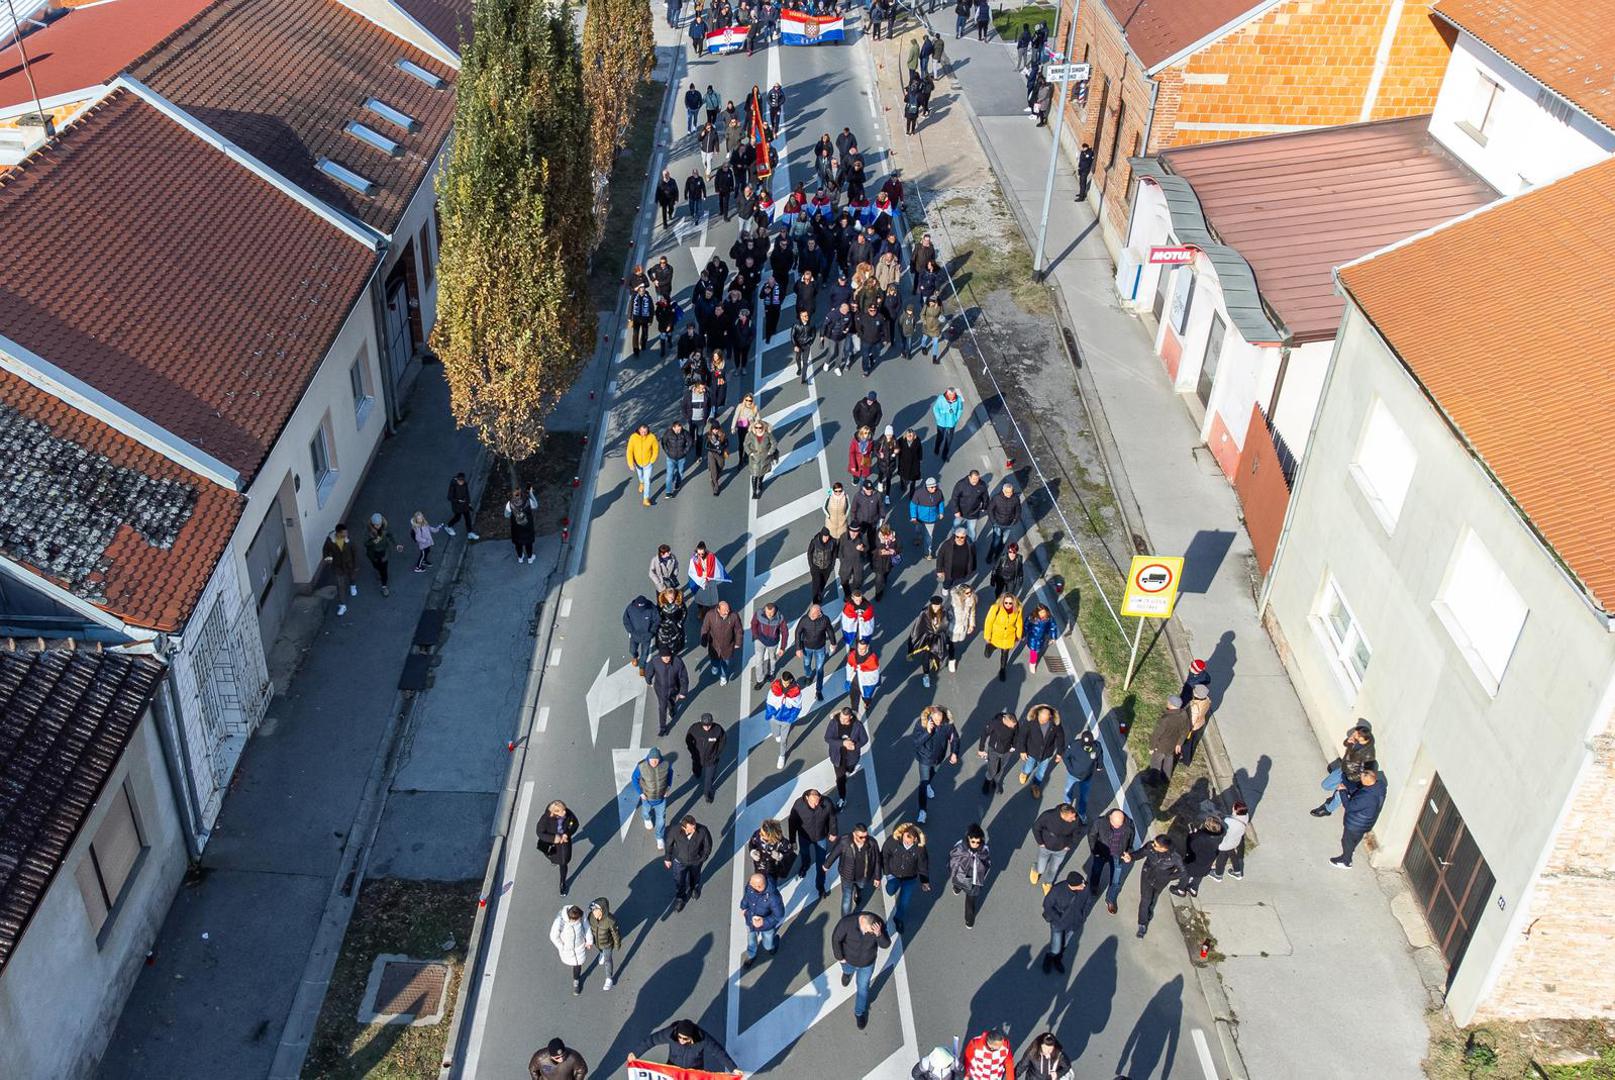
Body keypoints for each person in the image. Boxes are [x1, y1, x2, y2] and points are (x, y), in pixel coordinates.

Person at [831, 912, 890, 1029]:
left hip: (866, 964)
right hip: (848, 960)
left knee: (863, 989)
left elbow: (886, 944)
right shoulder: (847, 923)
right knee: (847, 970)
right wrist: (840, 957)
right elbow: (836, 939)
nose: (870, 933)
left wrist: (879, 934)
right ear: (863, 922)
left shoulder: (877, 926)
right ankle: (847, 974)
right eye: (869, 930)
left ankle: (859, 1012)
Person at [1311, 719, 1376, 816]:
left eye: (1356, 734)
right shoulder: (1358, 741)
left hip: (1352, 780)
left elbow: (1363, 775)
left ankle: (1328, 809)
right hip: (1343, 769)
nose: (1354, 734)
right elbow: (1346, 745)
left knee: (1339, 794)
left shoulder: (1368, 756)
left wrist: (1345, 783)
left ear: (1363, 739)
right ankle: (1340, 792)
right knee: (1325, 785)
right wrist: (1349, 742)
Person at [631, 1020, 737, 1073]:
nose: (681, 1041)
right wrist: (635, 1053)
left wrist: (733, 1069)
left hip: (693, 1072)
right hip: (673, 1069)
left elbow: (719, 1052)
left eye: (685, 1039)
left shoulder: (703, 1039)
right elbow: (651, 1040)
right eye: (679, 1037)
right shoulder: (671, 1034)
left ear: (691, 1037)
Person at [1333, 763, 1387, 869]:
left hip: (1356, 824)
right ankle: (1350, 852)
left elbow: (1349, 806)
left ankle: (1346, 861)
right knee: (1355, 839)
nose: (1360, 780)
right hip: (1367, 822)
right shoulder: (1380, 787)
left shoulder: (1366, 797)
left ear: (1367, 782)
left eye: (1362, 778)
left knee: (1346, 840)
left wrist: (1342, 791)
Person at [912, 704, 959, 823]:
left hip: (938, 757)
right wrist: (928, 732)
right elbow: (917, 742)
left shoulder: (947, 724)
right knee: (923, 782)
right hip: (925, 758)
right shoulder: (921, 724)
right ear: (931, 717)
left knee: (932, 773)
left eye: (940, 719)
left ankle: (928, 784)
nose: (939, 722)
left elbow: (954, 738)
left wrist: (954, 752)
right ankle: (923, 810)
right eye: (936, 720)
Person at [880, 822, 930, 933]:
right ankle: (891, 887)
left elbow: (923, 865)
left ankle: (898, 919)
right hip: (893, 875)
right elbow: (884, 854)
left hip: (910, 879)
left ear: (915, 840)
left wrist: (924, 881)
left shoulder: (920, 850)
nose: (905, 840)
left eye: (909, 838)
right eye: (905, 836)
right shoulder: (893, 841)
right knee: (890, 890)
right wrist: (887, 873)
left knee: (904, 902)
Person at [1133, 834, 1185, 938]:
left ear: (1164, 848)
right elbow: (1140, 853)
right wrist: (1130, 857)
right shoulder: (1150, 847)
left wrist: (1169, 877)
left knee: (1154, 896)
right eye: (1153, 842)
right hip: (1147, 876)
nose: (1153, 845)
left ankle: (1149, 909)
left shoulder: (1175, 857)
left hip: (1161, 881)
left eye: (1156, 845)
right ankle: (1142, 924)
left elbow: (1183, 872)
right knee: (1145, 900)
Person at [789, 788, 839, 897]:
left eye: (817, 802)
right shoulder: (798, 805)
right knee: (804, 853)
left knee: (821, 863)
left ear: (820, 798)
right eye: (813, 802)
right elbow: (792, 823)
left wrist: (833, 832)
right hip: (804, 837)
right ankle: (805, 865)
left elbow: (832, 818)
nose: (815, 805)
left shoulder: (827, 803)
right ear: (807, 798)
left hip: (820, 837)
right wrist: (792, 840)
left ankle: (820, 886)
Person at [1040, 871, 1089, 974]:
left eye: (1083, 882)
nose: (1084, 885)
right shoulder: (1057, 890)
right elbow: (1047, 905)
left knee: (1064, 945)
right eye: (1081, 884)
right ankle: (1049, 958)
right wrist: (1058, 918)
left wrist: (1082, 917)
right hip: (1058, 925)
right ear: (1073, 886)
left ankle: (1057, 960)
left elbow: (1085, 904)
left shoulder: (1084, 889)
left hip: (1073, 924)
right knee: (1055, 948)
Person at [1015, 702, 1065, 798]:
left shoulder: (1055, 725)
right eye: (1040, 718)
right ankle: (1024, 772)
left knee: (1041, 772)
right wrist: (1022, 750)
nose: (1041, 721)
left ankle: (1036, 785)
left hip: (1047, 753)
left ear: (1050, 717)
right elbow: (1022, 736)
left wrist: (1059, 753)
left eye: (1044, 720)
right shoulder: (1031, 722)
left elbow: (1061, 738)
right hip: (1032, 751)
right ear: (1038, 714)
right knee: (1029, 766)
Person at [1030, 802, 1082, 893]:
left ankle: (1047, 883)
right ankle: (1036, 869)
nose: (1074, 818)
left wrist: (1069, 845)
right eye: (1071, 817)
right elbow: (1036, 827)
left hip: (1061, 850)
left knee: (1053, 868)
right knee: (1041, 867)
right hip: (1045, 847)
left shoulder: (1076, 820)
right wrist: (1040, 843)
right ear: (1064, 816)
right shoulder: (1048, 816)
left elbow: (1076, 834)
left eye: (1074, 816)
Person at [665, 814, 713, 913]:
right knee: (679, 880)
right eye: (692, 828)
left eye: (695, 826)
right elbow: (669, 844)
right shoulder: (675, 831)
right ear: (684, 827)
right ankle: (680, 898)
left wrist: (702, 858)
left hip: (695, 861)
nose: (694, 829)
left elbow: (708, 846)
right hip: (680, 861)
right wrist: (668, 858)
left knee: (695, 876)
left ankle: (693, 888)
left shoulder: (703, 831)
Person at [825, 707, 870, 808]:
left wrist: (855, 746)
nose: (842, 721)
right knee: (840, 779)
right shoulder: (834, 723)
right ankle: (842, 798)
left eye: (845, 719)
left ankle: (849, 771)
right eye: (841, 718)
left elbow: (864, 739)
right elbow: (827, 738)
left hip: (852, 757)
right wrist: (843, 743)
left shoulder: (857, 725)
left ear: (850, 717)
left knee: (850, 769)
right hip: (838, 757)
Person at [947, 823, 991, 928]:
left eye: (978, 842)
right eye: (973, 841)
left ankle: (969, 920)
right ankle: (957, 888)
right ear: (968, 838)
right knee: (958, 884)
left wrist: (981, 870)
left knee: (970, 902)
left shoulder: (984, 850)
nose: (975, 844)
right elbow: (952, 859)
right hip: (961, 874)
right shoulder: (960, 847)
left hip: (974, 880)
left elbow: (987, 862)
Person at [535, 799, 580, 895]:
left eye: (564, 809)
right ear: (554, 812)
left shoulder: (567, 813)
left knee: (563, 862)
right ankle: (553, 860)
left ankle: (562, 882)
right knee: (550, 856)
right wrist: (553, 838)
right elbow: (539, 832)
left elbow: (575, 823)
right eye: (561, 811)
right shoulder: (545, 819)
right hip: (550, 843)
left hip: (563, 842)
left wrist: (567, 834)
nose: (565, 812)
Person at [1173, 815, 1225, 898]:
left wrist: (1191, 835)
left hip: (1194, 862)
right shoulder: (1220, 836)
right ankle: (1193, 889)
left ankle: (1180, 890)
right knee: (1199, 876)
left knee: (1186, 875)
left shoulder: (1200, 837)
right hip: (1207, 863)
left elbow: (1190, 847)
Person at [632, 747, 674, 850]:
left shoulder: (666, 765)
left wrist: (668, 788)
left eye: (656, 760)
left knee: (661, 820)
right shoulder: (641, 766)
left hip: (661, 799)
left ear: (659, 759)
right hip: (647, 797)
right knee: (646, 811)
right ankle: (647, 818)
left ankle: (659, 838)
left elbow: (670, 775)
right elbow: (634, 779)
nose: (654, 762)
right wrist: (640, 793)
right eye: (652, 760)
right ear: (648, 759)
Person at [906, 596, 950, 689]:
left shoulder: (944, 613)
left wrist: (939, 626)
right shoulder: (925, 612)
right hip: (926, 638)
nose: (935, 608)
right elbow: (919, 626)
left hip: (937, 639)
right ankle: (926, 674)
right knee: (925, 657)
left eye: (937, 606)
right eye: (934, 606)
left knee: (936, 655)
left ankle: (935, 662)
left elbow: (945, 625)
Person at [685, 712, 726, 804]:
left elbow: (723, 741)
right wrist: (692, 751)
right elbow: (688, 740)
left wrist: (717, 754)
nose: (707, 727)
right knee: (696, 769)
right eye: (705, 726)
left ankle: (707, 794)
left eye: (709, 725)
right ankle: (697, 773)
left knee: (709, 780)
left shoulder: (718, 729)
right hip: (697, 758)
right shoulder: (694, 728)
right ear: (701, 722)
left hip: (711, 760)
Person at [647, 647, 689, 738]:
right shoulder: (655, 660)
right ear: (660, 656)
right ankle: (663, 728)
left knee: (672, 702)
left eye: (668, 656)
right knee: (662, 708)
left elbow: (684, 678)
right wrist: (648, 680)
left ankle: (672, 709)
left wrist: (683, 692)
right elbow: (649, 671)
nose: (666, 658)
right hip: (661, 690)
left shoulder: (678, 662)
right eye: (664, 656)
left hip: (674, 689)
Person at [1060, 727, 1100, 823]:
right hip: (1073, 775)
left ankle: (1081, 813)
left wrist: (1100, 765)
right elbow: (1065, 756)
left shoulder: (1096, 746)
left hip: (1087, 777)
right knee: (1068, 791)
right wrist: (1070, 769)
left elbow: (1100, 755)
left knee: (1084, 797)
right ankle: (1067, 807)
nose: (1087, 747)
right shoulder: (1074, 746)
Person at [548, 905, 591, 995]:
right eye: (578, 920)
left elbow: (586, 926)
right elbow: (553, 936)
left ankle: (576, 981)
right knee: (575, 963)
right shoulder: (560, 921)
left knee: (578, 964)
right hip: (568, 950)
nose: (580, 920)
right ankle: (576, 980)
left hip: (579, 946)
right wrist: (562, 947)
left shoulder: (580, 914)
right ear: (572, 920)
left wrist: (589, 940)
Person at [982, 593, 1025, 682]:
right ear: (1002, 602)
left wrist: (1018, 635)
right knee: (987, 654)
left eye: (1010, 603)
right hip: (996, 635)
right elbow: (988, 622)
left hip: (1008, 636)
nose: (1008, 605)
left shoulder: (1018, 609)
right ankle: (989, 647)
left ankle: (1002, 670)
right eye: (1006, 603)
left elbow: (1019, 623)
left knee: (1005, 653)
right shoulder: (995, 608)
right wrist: (987, 636)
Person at [1149, 695, 1192, 783]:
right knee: (1169, 760)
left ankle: (1152, 781)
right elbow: (1185, 730)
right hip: (1173, 744)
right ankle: (1166, 778)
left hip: (1162, 745)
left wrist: (1152, 747)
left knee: (1155, 762)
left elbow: (1156, 734)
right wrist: (1179, 743)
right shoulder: (1184, 714)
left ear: (1171, 705)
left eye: (1168, 702)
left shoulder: (1166, 719)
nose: (1167, 703)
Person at [701, 598, 743, 686]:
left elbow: (738, 630)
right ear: (718, 609)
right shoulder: (710, 615)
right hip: (714, 646)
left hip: (728, 646)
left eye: (728, 609)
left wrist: (738, 642)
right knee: (714, 661)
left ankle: (723, 676)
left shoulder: (734, 616)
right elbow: (705, 628)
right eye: (724, 610)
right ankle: (715, 667)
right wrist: (704, 640)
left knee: (725, 663)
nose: (727, 612)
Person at [765, 670, 803, 767]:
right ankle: (777, 734)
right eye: (782, 681)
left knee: (783, 739)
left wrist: (791, 718)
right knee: (775, 733)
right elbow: (769, 701)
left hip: (786, 719)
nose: (784, 684)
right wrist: (771, 713)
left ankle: (782, 756)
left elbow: (797, 706)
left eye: (786, 683)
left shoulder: (795, 691)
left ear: (790, 680)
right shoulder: (775, 687)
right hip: (775, 716)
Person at [977, 708, 1019, 796]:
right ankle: (987, 781)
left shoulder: (1014, 724)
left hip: (1007, 751)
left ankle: (995, 782)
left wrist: (1014, 746)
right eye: (1011, 726)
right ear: (1005, 721)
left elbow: (1016, 735)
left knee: (1001, 768)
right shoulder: (995, 723)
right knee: (992, 768)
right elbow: (985, 733)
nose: (1013, 728)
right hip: (994, 750)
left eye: (1014, 726)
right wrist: (981, 749)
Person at [751, 601, 790, 690]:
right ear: (765, 610)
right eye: (768, 613)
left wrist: (782, 647)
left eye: (772, 613)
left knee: (772, 659)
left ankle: (771, 673)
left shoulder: (780, 618)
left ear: (775, 610)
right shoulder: (759, 614)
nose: (770, 615)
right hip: (760, 641)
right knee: (758, 661)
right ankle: (760, 680)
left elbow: (785, 632)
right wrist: (756, 636)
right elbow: (753, 624)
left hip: (773, 643)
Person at [362, 514, 403, 599]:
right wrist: (374, 541)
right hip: (373, 554)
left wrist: (396, 545)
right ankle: (377, 571)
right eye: (376, 525)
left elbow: (390, 535)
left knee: (384, 570)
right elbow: (365, 543)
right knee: (376, 566)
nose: (378, 526)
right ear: (372, 524)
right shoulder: (368, 531)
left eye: (379, 524)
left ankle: (384, 586)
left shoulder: (385, 528)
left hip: (384, 553)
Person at [322, 523, 358, 615]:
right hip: (337, 566)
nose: (346, 534)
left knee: (352, 577)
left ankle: (353, 585)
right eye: (344, 533)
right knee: (340, 585)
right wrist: (328, 559)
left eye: (346, 532)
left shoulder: (349, 540)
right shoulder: (330, 541)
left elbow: (354, 552)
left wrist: (356, 564)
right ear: (338, 533)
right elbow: (325, 551)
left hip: (349, 564)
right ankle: (343, 605)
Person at [984, 483, 1021, 565]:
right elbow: (990, 510)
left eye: (1011, 492)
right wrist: (994, 522)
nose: (1009, 494)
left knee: (1003, 542)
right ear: (1003, 491)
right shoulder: (996, 498)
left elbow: (1018, 510)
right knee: (996, 542)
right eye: (1007, 492)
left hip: (1008, 525)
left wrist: (1015, 520)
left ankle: (997, 556)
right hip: (997, 524)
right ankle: (989, 556)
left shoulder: (1015, 499)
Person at [1213, 800, 1250, 880]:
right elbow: (1233, 818)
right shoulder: (1246, 816)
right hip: (1235, 841)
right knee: (1232, 853)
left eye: (1234, 807)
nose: (1232, 807)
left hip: (1225, 843)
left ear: (1236, 810)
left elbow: (1221, 826)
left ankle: (1218, 874)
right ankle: (1237, 872)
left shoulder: (1228, 822)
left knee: (1221, 856)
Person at [910, 476, 946, 554]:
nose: (934, 489)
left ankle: (928, 552)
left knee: (929, 537)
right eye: (932, 487)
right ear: (928, 487)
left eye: (935, 486)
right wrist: (913, 516)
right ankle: (918, 538)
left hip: (931, 519)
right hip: (919, 518)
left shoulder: (939, 493)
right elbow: (913, 505)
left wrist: (941, 512)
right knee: (918, 530)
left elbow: (941, 503)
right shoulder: (919, 493)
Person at [627, 423, 660, 507]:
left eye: (645, 431)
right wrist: (630, 463)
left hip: (648, 464)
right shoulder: (633, 437)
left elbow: (656, 449)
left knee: (647, 481)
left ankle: (646, 498)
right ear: (639, 430)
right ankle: (641, 483)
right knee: (640, 475)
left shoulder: (652, 437)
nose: (644, 433)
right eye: (642, 431)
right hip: (637, 463)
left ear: (648, 430)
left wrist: (652, 460)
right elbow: (629, 451)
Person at [949, 470, 989, 541]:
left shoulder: (982, 485)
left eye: (977, 479)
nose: (976, 481)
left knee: (971, 531)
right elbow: (955, 497)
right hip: (961, 512)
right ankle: (952, 540)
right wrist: (956, 511)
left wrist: (984, 507)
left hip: (973, 513)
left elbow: (985, 497)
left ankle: (971, 546)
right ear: (969, 477)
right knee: (956, 526)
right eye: (974, 479)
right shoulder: (961, 484)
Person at [623, 594, 660, 672]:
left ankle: (642, 666)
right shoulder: (630, 608)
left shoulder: (651, 608)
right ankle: (635, 657)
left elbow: (657, 620)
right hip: (634, 635)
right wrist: (631, 631)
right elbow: (626, 620)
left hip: (646, 636)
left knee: (645, 652)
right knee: (632, 650)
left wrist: (651, 632)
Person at [946, 582, 977, 673]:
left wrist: (971, 625)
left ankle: (949, 652)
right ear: (961, 593)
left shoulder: (971, 600)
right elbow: (946, 608)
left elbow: (972, 613)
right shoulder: (953, 600)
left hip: (962, 625)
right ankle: (951, 660)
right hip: (952, 624)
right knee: (951, 643)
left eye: (970, 592)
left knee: (953, 642)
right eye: (967, 593)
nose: (970, 594)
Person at [845, 638, 880, 718]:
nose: (861, 650)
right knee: (854, 700)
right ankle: (854, 714)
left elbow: (873, 673)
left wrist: (861, 669)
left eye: (863, 649)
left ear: (867, 647)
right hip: (855, 681)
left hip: (866, 683)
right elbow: (849, 667)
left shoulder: (872, 658)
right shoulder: (853, 654)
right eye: (859, 648)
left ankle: (867, 703)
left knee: (867, 697)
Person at [744, 418, 777, 500]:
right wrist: (750, 453)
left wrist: (770, 452)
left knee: (762, 472)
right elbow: (745, 444)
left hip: (765, 457)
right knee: (754, 475)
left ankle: (760, 483)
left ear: (763, 427)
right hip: (754, 458)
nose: (758, 429)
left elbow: (774, 443)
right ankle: (754, 492)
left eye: (760, 427)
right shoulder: (750, 435)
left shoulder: (768, 435)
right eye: (756, 427)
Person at [871, 522, 902, 601]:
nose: (886, 536)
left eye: (887, 534)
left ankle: (884, 580)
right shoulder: (876, 536)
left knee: (886, 574)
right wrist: (879, 552)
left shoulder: (895, 536)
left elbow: (900, 547)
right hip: (879, 561)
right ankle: (878, 593)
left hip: (889, 562)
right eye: (884, 534)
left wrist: (894, 551)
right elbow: (871, 549)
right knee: (879, 579)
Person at [506, 485, 537, 564]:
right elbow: (535, 505)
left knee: (518, 543)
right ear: (521, 494)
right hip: (527, 526)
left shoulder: (510, 504)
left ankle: (520, 557)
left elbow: (506, 515)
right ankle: (530, 558)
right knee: (528, 543)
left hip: (516, 528)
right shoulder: (528, 501)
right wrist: (531, 493)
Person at [662, 420, 693, 498]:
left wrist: (685, 452)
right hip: (670, 458)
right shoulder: (668, 433)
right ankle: (668, 492)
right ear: (673, 428)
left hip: (681, 458)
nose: (679, 431)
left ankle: (678, 483)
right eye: (678, 429)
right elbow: (663, 443)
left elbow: (690, 442)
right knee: (669, 475)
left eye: (680, 429)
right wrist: (667, 452)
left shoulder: (685, 433)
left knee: (680, 472)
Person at [1183, 683, 1212, 765]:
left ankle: (1186, 760)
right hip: (1200, 724)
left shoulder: (1195, 706)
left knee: (1187, 745)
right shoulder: (1207, 700)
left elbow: (1192, 720)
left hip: (1193, 727)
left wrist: (1188, 730)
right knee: (1193, 742)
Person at [931, 387, 964, 460]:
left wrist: (956, 419)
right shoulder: (941, 399)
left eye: (953, 394)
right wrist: (939, 418)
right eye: (950, 395)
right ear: (947, 393)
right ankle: (937, 449)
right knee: (940, 437)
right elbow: (935, 409)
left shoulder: (958, 399)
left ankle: (944, 455)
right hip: (941, 422)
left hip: (951, 423)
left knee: (949, 440)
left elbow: (960, 409)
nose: (952, 396)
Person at [444, 472, 478, 539]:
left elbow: (467, 493)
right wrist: (458, 500)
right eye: (460, 481)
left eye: (462, 481)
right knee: (457, 518)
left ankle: (470, 532)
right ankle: (448, 526)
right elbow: (449, 497)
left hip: (465, 505)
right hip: (457, 506)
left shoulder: (465, 484)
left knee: (468, 518)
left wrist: (469, 502)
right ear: (457, 480)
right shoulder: (453, 486)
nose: (461, 482)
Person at [896, 428, 925, 503]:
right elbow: (897, 448)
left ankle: (912, 494)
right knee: (903, 476)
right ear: (905, 435)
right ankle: (903, 485)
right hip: (904, 462)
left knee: (913, 480)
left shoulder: (917, 441)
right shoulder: (901, 441)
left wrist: (920, 459)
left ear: (914, 435)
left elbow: (920, 451)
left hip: (914, 464)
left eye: (911, 435)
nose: (910, 436)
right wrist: (896, 452)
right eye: (908, 435)